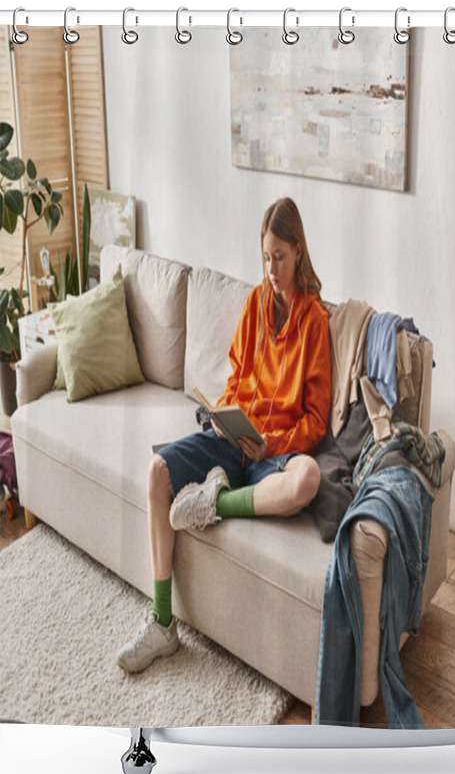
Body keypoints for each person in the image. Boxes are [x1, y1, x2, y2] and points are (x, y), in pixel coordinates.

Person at [117, 197, 332, 673]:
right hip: (230, 438)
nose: (271, 269)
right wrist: (224, 414)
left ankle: (212, 504)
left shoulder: (315, 322)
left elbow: (316, 419)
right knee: (156, 473)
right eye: (265, 258)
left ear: (298, 251)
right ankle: (162, 624)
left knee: (309, 479)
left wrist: (272, 444)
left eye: (279, 257)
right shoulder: (255, 303)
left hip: (271, 454)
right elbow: (235, 377)